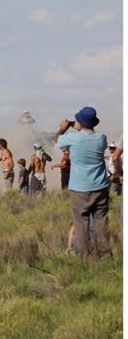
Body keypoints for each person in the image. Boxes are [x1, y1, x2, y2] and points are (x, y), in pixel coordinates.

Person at [54, 106, 110, 258]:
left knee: (80, 224)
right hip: (101, 187)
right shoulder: (102, 138)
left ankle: (82, 256)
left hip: (80, 189)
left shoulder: (73, 138)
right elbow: (88, 134)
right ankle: (104, 257)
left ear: (80, 122)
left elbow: (57, 141)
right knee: (101, 223)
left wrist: (62, 129)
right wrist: (78, 125)